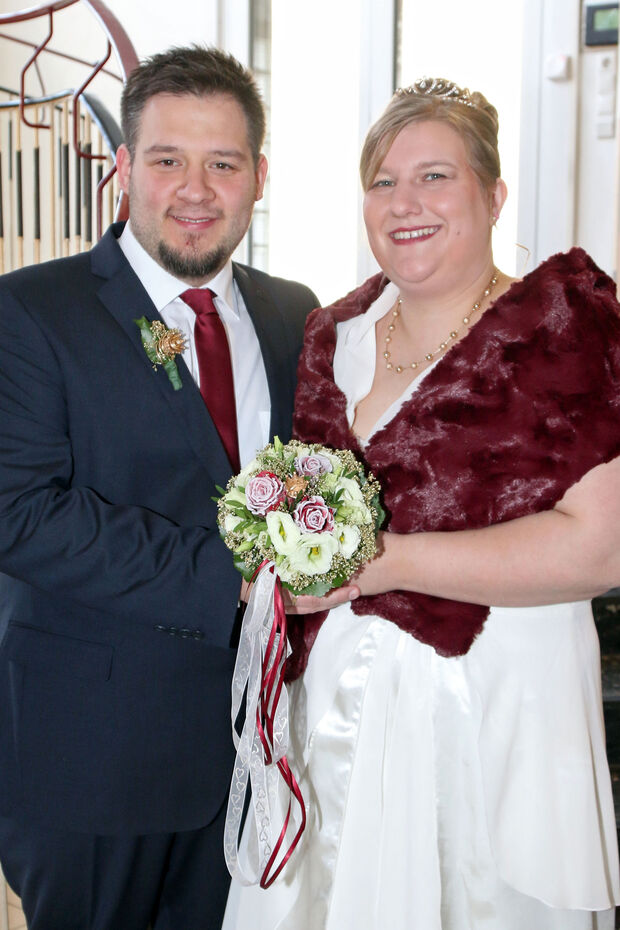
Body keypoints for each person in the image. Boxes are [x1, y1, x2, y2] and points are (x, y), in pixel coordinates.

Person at [223, 78, 620, 929]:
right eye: (383, 182)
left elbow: (598, 550)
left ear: (494, 193)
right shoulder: (333, 334)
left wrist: (376, 565)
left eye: (435, 176)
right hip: (336, 710)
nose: (405, 203)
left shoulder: (566, 325)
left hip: (499, 704)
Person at [0, 44, 358, 930]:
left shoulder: (293, 311)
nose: (195, 189)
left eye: (222, 163)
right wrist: (234, 577)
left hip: (254, 755)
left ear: (259, 177)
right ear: (124, 168)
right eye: (167, 160)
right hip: (92, 758)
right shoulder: (29, 311)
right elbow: (18, 513)